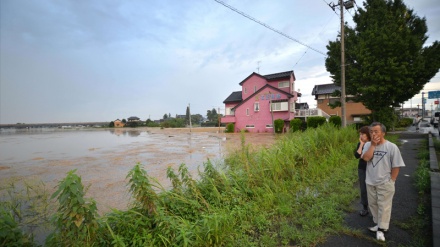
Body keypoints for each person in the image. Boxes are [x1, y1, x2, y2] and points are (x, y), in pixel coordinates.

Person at [361, 122, 405, 242]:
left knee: (384, 206)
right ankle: (378, 224)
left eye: (376, 131)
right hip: (370, 181)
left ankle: (382, 229)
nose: (373, 133)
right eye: (371, 131)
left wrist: (392, 181)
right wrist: (373, 145)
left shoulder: (391, 147)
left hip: (385, 182)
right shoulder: (368, 145)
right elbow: (366, 158)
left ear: (383, 133)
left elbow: (396, 166)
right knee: (373, 204)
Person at [354, 126, 371, 216]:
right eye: (360, 134)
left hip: (372, 169)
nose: (361, 136)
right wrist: (361, 144)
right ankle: (365, 207)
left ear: (368, 134)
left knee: (373, 188)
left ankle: (375, 208)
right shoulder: (360, 144)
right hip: (362, 168)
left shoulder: (373, 144)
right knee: (363, 188)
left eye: (362, 134)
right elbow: (357, 155)